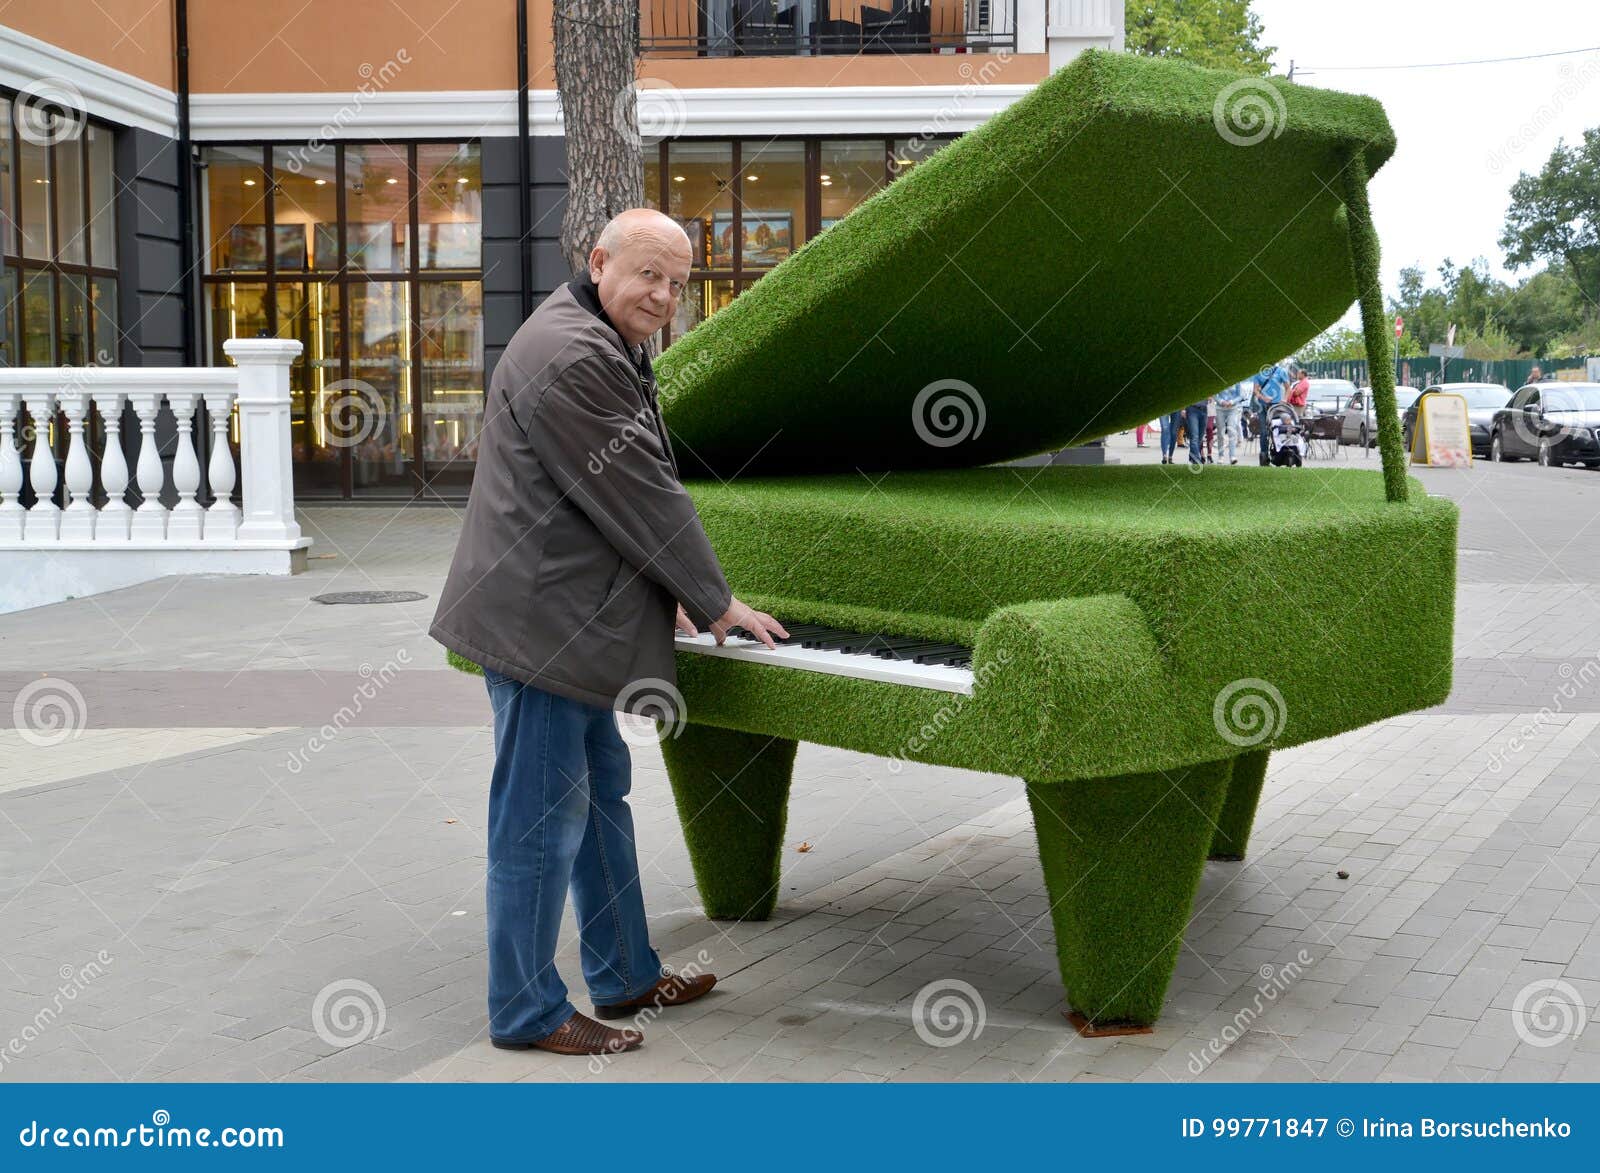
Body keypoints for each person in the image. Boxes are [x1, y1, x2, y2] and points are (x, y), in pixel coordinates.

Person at [429, 209, 788, 1058]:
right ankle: (525, 1010)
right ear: (599, 263)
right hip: (542, 628)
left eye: (678, 282)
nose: (664, 296)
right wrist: (712, 599)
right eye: (649, 275)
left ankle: (625, 968)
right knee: (539, 822)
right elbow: (640, 492)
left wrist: (658, 594)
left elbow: (598, 502)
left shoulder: (595, 335)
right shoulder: (572, 352)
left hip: (568, 617)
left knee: (599, 802)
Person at [1253, 360, 1291, 465]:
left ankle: (1280, 453)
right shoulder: (1258, 372)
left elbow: (1288, 388)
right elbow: (1255, 390)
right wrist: (1263, 397)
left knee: (1278, 429)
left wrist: (1284, 399)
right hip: (1262, 406)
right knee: (1264, 432)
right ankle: (1264, 454)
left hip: (1276, 406)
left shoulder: (1280, 371)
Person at [1214, 380, 1245, 464]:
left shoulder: (1236, 381)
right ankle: (1221, 456)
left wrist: (1232, 401)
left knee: (1232, 431)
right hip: (1220, 408)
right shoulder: (1219, 381)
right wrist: (1221, 401)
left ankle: (1232, 456)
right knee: (1220, 432)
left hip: (1233, 409)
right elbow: (1214, 394)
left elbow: (1241, 396)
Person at [1184, 399, 1208, 466]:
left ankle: (1192, 456)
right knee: (1194, 436)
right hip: (1192, 409)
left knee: (1200, 437)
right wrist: (1183, 409)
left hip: (1204, 409)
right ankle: (1197, 460)